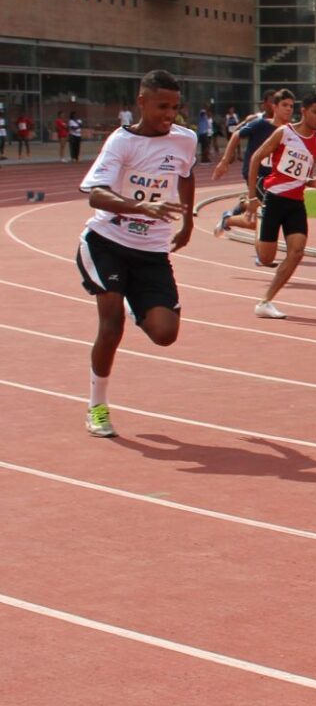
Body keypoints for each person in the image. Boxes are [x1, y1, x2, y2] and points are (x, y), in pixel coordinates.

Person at [75, 70, 198, 437]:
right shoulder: (121, 143)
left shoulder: (185, 140)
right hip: (106, 242)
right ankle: (97, 406)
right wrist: (142, 208)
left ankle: (134, 301)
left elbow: (187, 174)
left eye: (175, 107)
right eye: (162, 106)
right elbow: (95, 194)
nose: (169, 115)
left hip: (152, 249)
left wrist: (188, 219)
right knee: (111, 326)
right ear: (141, 102)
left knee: (165, 334)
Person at [246, 93, 316, 318]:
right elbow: (256, 157)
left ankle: (265, 301)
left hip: (296, 203)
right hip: (274, 198)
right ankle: (259, 223)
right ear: (303, 111)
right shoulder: (284, 133)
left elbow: (302, 175)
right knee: (266, 259)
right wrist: (251, 197)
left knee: (297, 251)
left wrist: (313, 182)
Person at [213, 90, 293, 239]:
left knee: (263, 218)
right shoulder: (260, 123)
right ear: (273, 106)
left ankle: (243, 206)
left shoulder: (289, 129)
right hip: (256, 174)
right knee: (268, 216)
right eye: (285, 105)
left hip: (272, 176)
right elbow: (237, 134)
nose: (288, 109)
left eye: (291, 106)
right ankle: (231, 220)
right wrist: (225, 161)